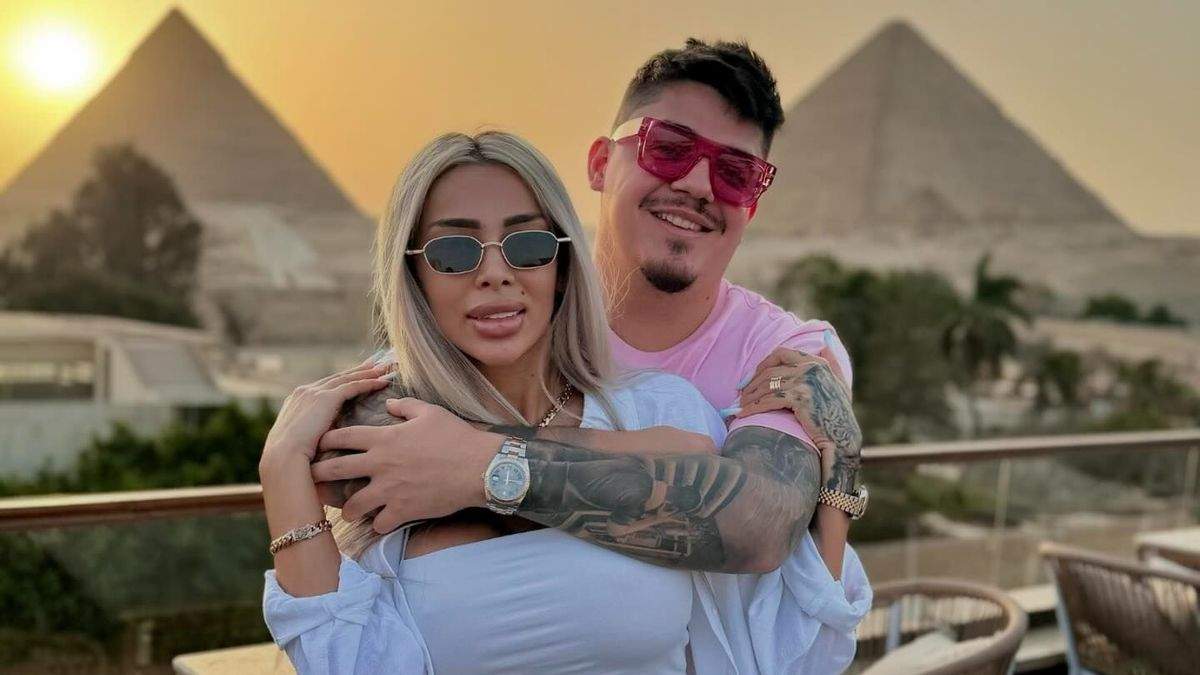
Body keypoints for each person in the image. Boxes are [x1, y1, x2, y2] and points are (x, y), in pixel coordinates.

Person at [306, 39, 871, 672]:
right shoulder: (501, 318)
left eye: (735, 172)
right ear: (601, 163)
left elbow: (758, 525)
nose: (696, 183)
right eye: (668, 147)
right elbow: (367, 466)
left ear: (753, 201)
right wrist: (676, 460)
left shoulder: (787, 357)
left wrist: (474, 463)